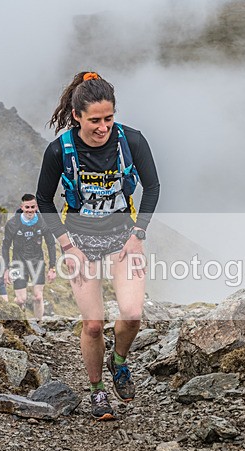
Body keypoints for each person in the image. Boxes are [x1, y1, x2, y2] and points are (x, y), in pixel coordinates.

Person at [36, 71, 160, 420]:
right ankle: (97, 392)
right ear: (77, 116)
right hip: (79, 241)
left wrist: (138, 234)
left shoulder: (131, 142)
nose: (103, 127)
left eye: (109, 118)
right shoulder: (60, 150)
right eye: (95, 120)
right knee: (93, 323)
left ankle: (118, 362)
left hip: (123, 239)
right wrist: (66, 245)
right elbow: (44, 200)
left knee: (132, 314)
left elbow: (152, 188)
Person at [2, 194, 57, 320]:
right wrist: (6, 269)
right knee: (21, 300)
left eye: (33, 207)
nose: (30, 210)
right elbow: (5, 246)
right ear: (22, 207)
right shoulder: (12, 224)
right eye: (27, 207)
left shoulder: (43, 222)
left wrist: (52, 267)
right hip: (18, 263)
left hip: (37, 262)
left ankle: (39, 325)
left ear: (36, 207)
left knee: (37, 297)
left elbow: (51, 244)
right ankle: (19, 320)